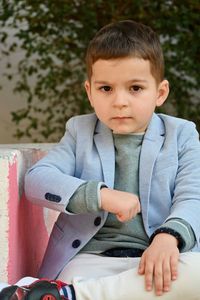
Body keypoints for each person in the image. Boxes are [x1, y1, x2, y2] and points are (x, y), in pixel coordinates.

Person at [1, 19, 200, 300]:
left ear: (160, 93)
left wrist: (169, 237)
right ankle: (73, 292)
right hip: (90, 259)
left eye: (135, 88)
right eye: (106, 88)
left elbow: (193, 197)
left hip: (156, 259)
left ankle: (67, 297)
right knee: (85, 280)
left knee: (197, 272)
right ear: (89, 92)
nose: (120, 101)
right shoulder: (80, 131)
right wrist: (100, 195)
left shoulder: (182, 134)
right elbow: (37, 179)